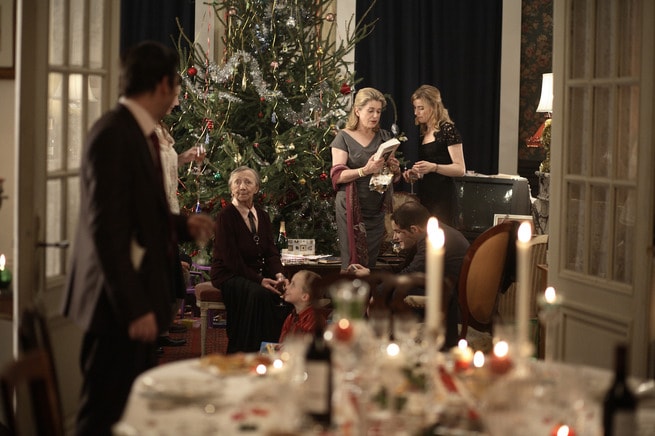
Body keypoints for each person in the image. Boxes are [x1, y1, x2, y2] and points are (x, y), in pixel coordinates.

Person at [62, 41, 214, 436]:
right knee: (103, 414)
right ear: (164, 84)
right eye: (178, 86)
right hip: (116, 306)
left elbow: (136, 213)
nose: (178, 96)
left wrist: (182, 226)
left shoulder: (140, 134)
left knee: (134, 409)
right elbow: (106, 231)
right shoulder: (114, 135)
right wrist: (134, 308)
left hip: (134, 297)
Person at [348, 201, 469, 347]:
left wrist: (378, 294)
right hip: (439, 290)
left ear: (414, 229)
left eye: (398, 232)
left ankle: (367, 342)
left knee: (393, 291)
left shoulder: (434, 238)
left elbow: (410, 274)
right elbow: (404, 269)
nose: (394, 238)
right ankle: (363, 339)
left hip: (449, 304)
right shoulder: (432, 233)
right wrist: (370, 273)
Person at [210, 166, 291, 353]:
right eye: (237, 182)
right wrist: (260, 280)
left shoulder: (262, 215)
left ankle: (274, 348)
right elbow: (231, 260)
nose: (242, 187)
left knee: (285, 292)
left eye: (248, 182)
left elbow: (271, 252)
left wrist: (279, 275)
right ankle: (246, 349)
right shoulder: (225, 217)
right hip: (228, 273)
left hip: (256, 273)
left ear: (256, 188)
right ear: (231, 188)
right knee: (259, 294)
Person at [155, 83, 207, 351]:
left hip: (169, 210)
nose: (177, 104)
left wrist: (185, 157)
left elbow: (165, 166)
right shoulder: (143, 129)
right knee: (160, 273)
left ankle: (160, 328)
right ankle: (154, 333)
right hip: (156, 216)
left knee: (169, 273)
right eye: (174, 97)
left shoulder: (161, 128)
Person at [330, 87, 402, 272]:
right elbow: (338, 175)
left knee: (368, 264)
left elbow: (390, 176)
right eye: (370, 110)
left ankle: (366, 301)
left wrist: (394, 168)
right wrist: (365, 170)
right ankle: (348, 300)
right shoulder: (343, 137)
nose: (375, 116)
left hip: (376, 209)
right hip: (351, 207)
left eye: (378, 111)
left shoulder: (385, 137)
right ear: (357, 110)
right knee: (352, 263)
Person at [403, 85, 466, 226]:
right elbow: (429, 166)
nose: (416, 112)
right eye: (415, 108)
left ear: (434, 106)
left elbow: (460, 169)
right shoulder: (423, 132)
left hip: (444, 198)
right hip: (426, 195)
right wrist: (415, 173)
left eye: (421, 108)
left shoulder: (448, 130)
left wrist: (434, 167)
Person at [278, 270, 324, 342]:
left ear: (304, 297)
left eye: (293, 285)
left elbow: (305, 349)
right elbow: (281, 343)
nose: (286, 287)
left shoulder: (314, 321)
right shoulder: (290, 318)